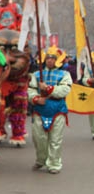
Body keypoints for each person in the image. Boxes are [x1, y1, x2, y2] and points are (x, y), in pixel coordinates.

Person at [28, 46, 72, 174]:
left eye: (53, 58)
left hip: (57, 109)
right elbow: (30, 90)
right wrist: (35, 98)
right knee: (38, 138)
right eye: (48, 58)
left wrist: (49, 89)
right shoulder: (36, 75)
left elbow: (65, 89)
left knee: (55, 139)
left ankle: (54, 163)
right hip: (40, 109)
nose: (50, 61)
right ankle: (41, 159)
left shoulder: (65, 74)